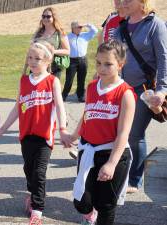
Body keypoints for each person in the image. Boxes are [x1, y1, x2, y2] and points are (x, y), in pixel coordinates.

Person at [0, 41, 69, 225]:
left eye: (37, 58)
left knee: (39, 172)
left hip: (44, 136)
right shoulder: (24, 80)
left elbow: (59, 106)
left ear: (47, 61)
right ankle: (32, 193)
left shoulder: (53, 81)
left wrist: (63, 129)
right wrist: (3, 128)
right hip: (26, 135)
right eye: (30, 58)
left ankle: (37, 210)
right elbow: (17, 108)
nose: (33, 61)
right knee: (29, 169)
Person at [65, 40, 136, 225]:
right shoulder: (91, 87)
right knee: (81, 201)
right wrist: (73, 136)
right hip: (88, 151)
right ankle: (89, 215)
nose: (101, 68)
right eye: (98, 62)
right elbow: (87, 115)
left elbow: (123, 133)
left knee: (105, 206)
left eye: (108, 64)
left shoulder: (125, 93)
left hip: (112, 154)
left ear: (120, 65)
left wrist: (111, 163)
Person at [115, 0, 167, 193]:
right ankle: (122, 170)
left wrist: (162, 90)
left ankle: (135, 180)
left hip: (145, 89)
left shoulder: (156, 25)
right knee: (122, 132)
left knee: (135, 134)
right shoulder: (120, 27)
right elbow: (114, 58)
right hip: (122, 89)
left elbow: (164, 59)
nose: (123, 2)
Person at [23, 7, 70, 78]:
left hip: (53, 69)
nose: (45, 19)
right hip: (35, 68)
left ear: (54, 18)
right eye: (43, 16)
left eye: (48, 16)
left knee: (51, 88)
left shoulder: (59, 33)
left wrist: (54, 51)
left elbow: (67, 51)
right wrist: (25, 68)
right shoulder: (38, 32)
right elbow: (30, 51)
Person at [62, 22, 98, 103]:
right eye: (78, 27)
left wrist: (86, 24)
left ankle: (80, 96)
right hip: (72, 61)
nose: (80, 28)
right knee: (69, 79)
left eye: (81, 27)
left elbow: (95, 31)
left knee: (81, 79)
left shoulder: (85, 35)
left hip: (83, 60)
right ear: (73, 28)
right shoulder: (68, 37)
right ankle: (64, 95)